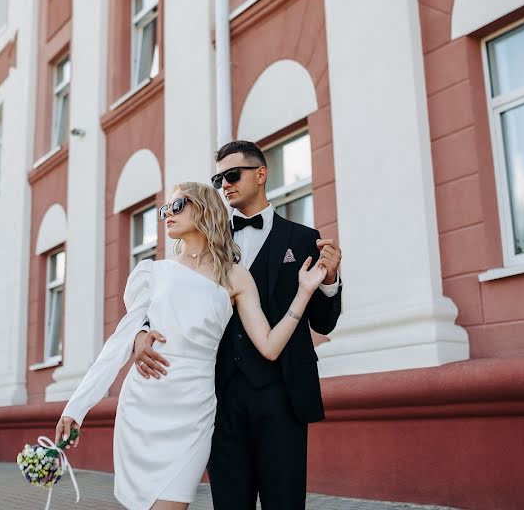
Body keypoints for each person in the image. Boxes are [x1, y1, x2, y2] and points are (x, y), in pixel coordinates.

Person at [55, 181, 327, 510]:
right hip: (146, 402)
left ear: (204, 208)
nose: (167, 213)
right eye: (164, 209)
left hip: (195, 409)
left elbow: (269, 346)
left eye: (177, 205)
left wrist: (304, 292)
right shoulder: (151, 273)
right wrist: (76, 407)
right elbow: (119, 341)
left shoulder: (235, 276)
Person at [134, 141, 343, 508]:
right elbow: (165, 299)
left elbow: (325, 321)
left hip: (284, 393)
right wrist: (140, 333)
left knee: (285, 503)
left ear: (261, 174)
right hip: (217, 396)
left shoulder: (303, 239)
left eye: (232, 175)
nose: (224, 184)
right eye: (218, 179)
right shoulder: (204, 238)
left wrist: (329, 280)